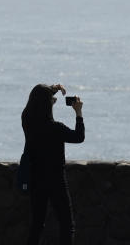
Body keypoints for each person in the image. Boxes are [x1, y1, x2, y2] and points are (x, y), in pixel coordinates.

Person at [22, 83, 85, 245]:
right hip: (56, 179)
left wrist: (52, 89)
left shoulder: (27, 120)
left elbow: (38, 98)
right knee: (66, 224)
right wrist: (78, 113)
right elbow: (78, 137)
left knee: (37, 225)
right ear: (48, 104)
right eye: (53, 100)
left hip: (35, 178)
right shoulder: (56, 129)